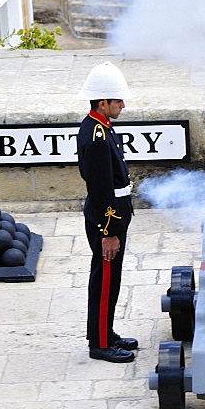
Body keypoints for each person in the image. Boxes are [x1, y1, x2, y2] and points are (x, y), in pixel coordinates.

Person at [77, 61, 139, 363]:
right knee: (104, 281)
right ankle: (100, 344)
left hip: (114, 215)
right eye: (117, 101)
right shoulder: (98, 138)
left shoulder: (100, 127)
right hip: (108, 220)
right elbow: (100, 191)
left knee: (110, 280)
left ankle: (105, 331)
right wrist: (109, 233)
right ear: (103, 102)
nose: (122, 105)